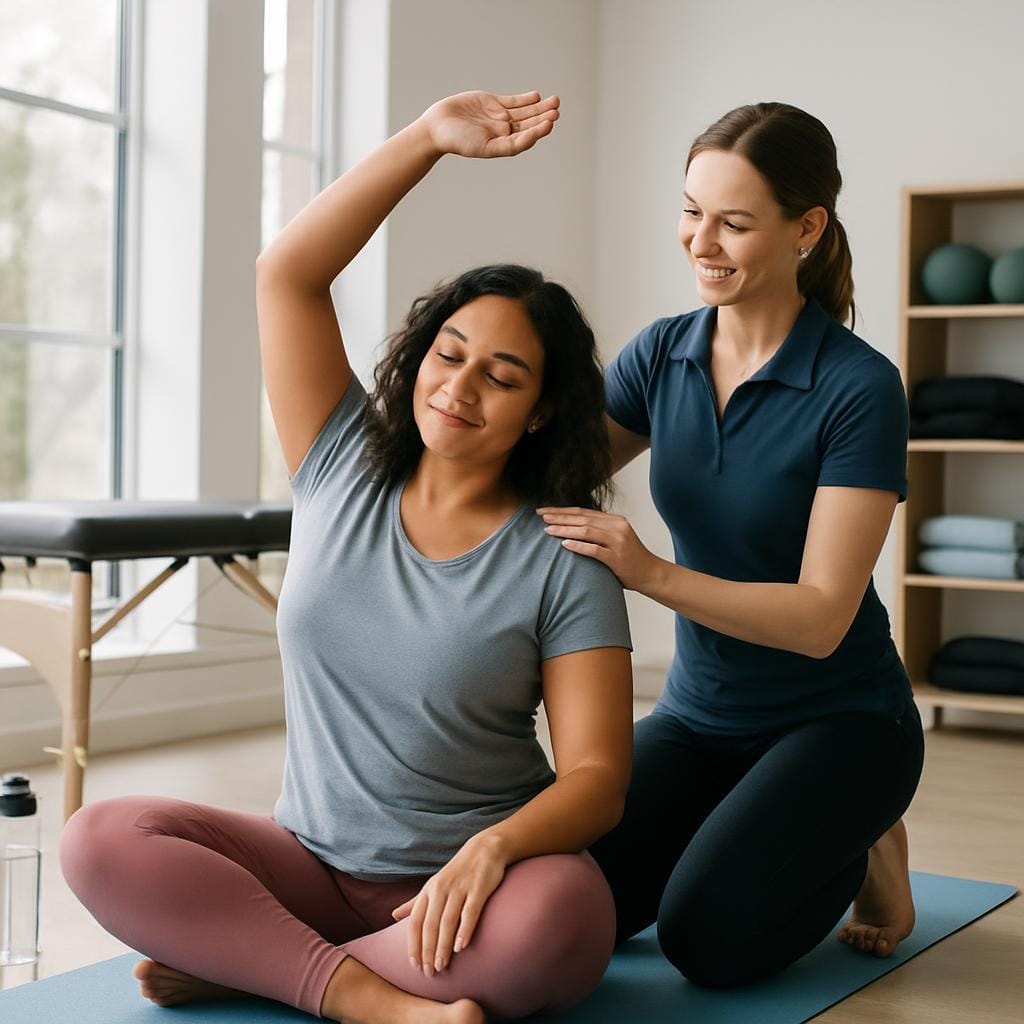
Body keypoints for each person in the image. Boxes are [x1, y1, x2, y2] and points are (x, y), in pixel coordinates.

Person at [59, 90, 634, 1024]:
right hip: (306, 865)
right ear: (419, 357)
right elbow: (287, 273)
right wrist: (426, 141)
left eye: (503, 375)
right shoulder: (341, 465)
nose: (460, 387)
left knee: (566, 918)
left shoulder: (562, 557)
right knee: (99, 837)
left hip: (463, 894)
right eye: (449, 353)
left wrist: (490, 851)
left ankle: (255, 964)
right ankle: (365, 995)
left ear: (540, 412)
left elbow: (598, 781)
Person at [539, 101, 926, 987]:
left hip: (842, 717)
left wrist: (650, 573)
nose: (700, 241)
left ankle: (866, 838)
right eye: (690, 210)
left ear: (807, 229)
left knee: (705, 939)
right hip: (700, 714)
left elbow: (823, 619)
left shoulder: (858, 388)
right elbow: (553, 476)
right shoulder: (662, 354)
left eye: (734, 222)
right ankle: (756, 812)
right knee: (567, 900)